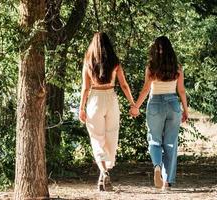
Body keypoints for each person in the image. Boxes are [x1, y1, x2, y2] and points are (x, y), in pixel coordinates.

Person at [130, 36, 189, 190]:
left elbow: (145, 90)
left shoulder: (151, 67)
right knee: (171, 144)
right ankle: (167, 182)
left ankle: (157, 166)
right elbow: (181, 90)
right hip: (173, 104)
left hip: (155, 103)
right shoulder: (177, 67)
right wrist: (185, 110)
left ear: (155, 50)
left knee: (154, 140)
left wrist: (136, 106)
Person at [79, 32, 135, 191]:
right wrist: (133, 104)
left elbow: (85, 88)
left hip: (95, 99)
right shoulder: (114, 62)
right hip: (111, 98)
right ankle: (104, 172)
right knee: (111, 136)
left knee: (97, 139)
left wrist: (81, 108)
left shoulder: (88, 62)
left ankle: (103, 172)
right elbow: (124, 85)